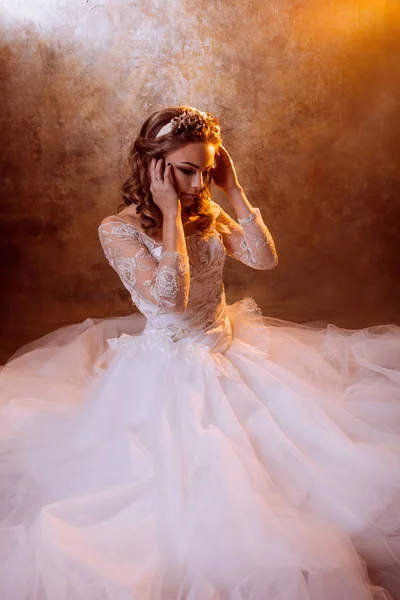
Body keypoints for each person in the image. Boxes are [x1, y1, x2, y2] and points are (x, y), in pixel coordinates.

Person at [0, 105, 399, 600]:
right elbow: (172, 298)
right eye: (187, 171)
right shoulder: (117, 230)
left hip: (231, 345)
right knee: (200, 484)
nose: (196, 184)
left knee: (306, 465)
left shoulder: (208, 207)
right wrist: (169, 216)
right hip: (171, 365)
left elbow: (263, 258)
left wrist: (233, 189)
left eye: (207, 170)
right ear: (153, 165)